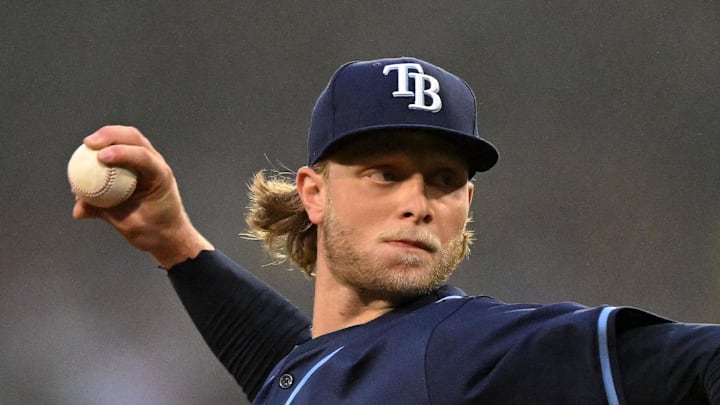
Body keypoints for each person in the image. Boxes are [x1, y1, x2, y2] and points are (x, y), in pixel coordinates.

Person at [72, 57, 720, 404]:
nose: (418, 201)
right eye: (385, 172)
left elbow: (698, 361)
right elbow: (291, 367)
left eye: (441, 179)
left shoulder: (469, 347)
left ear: (466, 201)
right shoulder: (344, 361)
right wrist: (176, 243)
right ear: (314, 193)